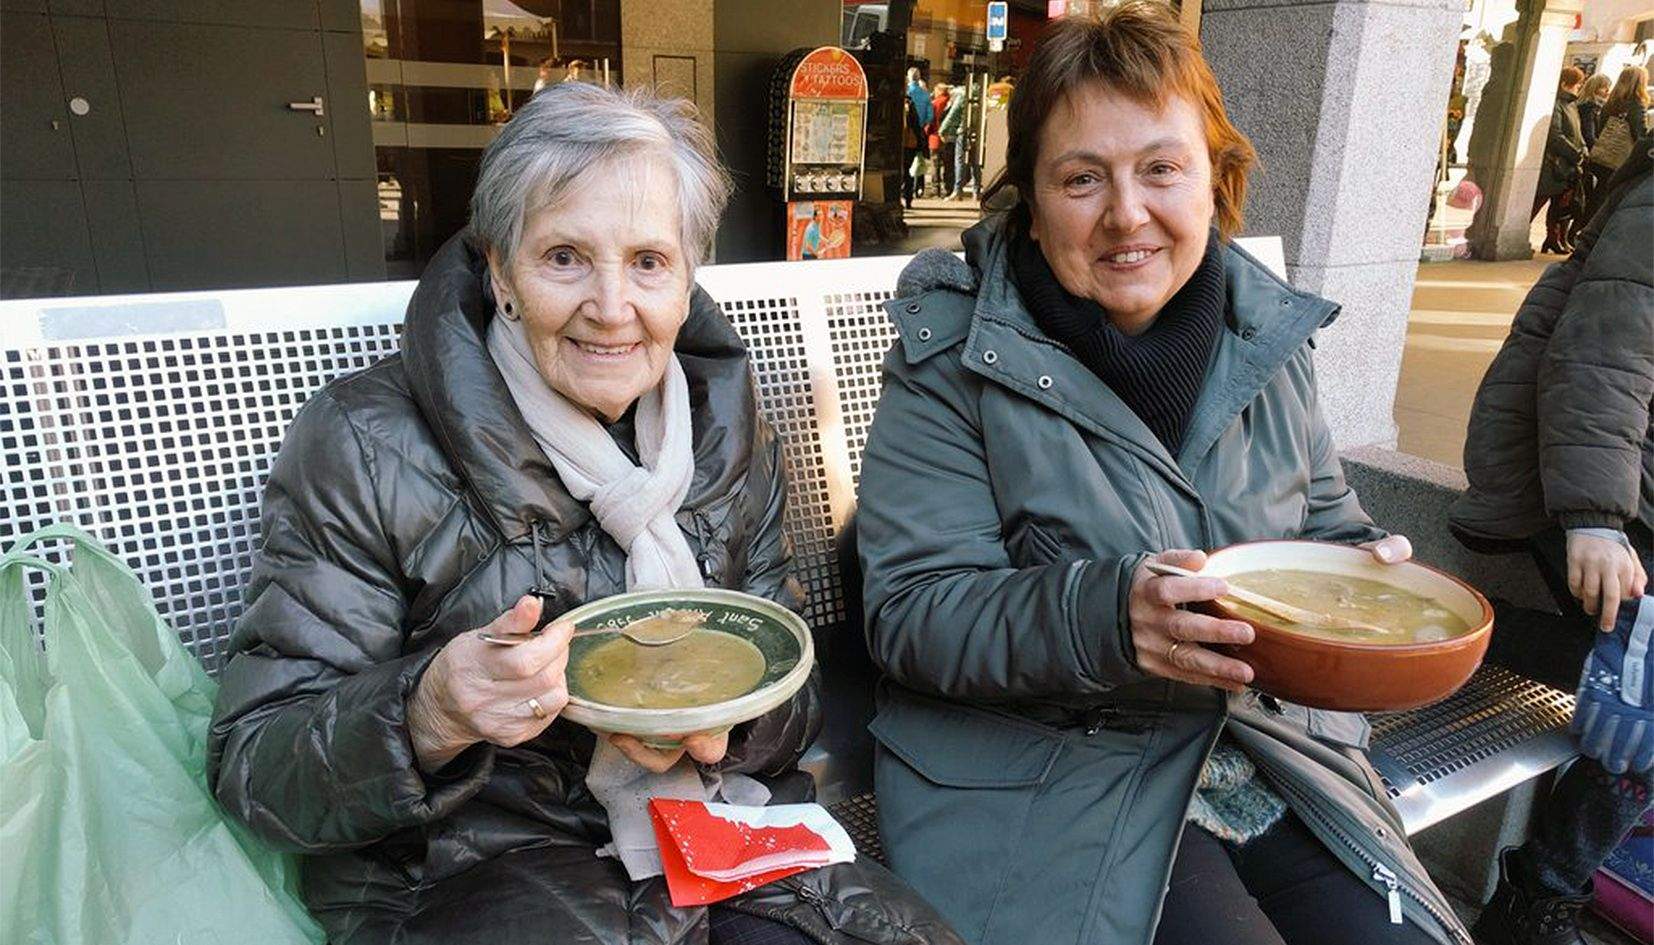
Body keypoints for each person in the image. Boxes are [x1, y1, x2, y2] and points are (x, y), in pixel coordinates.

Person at [207, 83, 963, 945]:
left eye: (648, 261)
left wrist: (732, 722)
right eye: (565, 256)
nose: (612, 306)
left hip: (720, 834)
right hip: (464, 872)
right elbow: (255, 765)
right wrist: (429, 710)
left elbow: (787, 671)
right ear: (501, 272)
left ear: (686, 280)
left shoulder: (725, 422)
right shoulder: (366, 442)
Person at [854, 6, 1470, 945]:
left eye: (1160, 168)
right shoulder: (952, 354)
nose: (1126, 214)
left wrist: (1362, 575)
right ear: (1028, 197)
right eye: (1081, 178)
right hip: (1046, 773)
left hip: (1258, 746)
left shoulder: (1265, 340)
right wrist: (1109, 616)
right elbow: (912, 613)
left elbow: (1321, 531)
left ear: (1215, 179)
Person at [1452, 135, 1653, 945]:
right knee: (1640, 702)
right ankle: (1535, 903)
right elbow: (1602, 356)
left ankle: (1462, 625)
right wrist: (1595, 518)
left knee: (1632, 689)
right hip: (1584, 477)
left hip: (1623, 473)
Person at [1577, 65, 1648, 229]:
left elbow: (1600, 129)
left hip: (1601, 157)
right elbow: (1640, 135)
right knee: (1607, 198)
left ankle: (1580, 229)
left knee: (1596, 195)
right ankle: (1590, 232)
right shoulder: (1636, 106)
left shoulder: (1611, 103)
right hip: (1619, 160)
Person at [1533, 67, 1586, 255]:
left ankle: (1553, 239)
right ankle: (1529, 233)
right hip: (1555, 163)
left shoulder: (1571, 105)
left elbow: (1577, 133)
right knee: (1540, 200)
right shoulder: (1556, 104)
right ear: (1564, 84)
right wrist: (1575, 153)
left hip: (1568, 164)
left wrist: (1582, 150)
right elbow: (1555, 134)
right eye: (1576, 85)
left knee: (1560, 206)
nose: (1578, 88)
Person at [1566, 72, 1613, 245]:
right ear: (1595, 88)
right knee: (1584, 198)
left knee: (1577, 198)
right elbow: (1589, 134)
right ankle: (1572, 233)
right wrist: (1599, 151)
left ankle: (1563, 235)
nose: (1607, 91)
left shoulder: (1586, 105)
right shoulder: (1590, 107)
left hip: (1584, 156)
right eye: (1604, 87)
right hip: (1586, 157)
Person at [939, 85, 972, 200]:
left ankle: (957, 190)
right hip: (977, 130)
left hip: (962, 131)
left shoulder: (961, 97)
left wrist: (942, 131)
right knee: (975, 163)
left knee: (959, 160)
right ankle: (976, 190)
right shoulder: (979, 94)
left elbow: (952, 116)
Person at [929, 83, 954, 198]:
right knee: (948, 164)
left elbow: (930, 120)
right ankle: (948, 187)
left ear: (938, 91)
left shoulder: (935, 103)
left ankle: (935, 189)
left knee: (935, 164)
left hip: (935, 137)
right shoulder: (951, 102)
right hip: (949, 138)